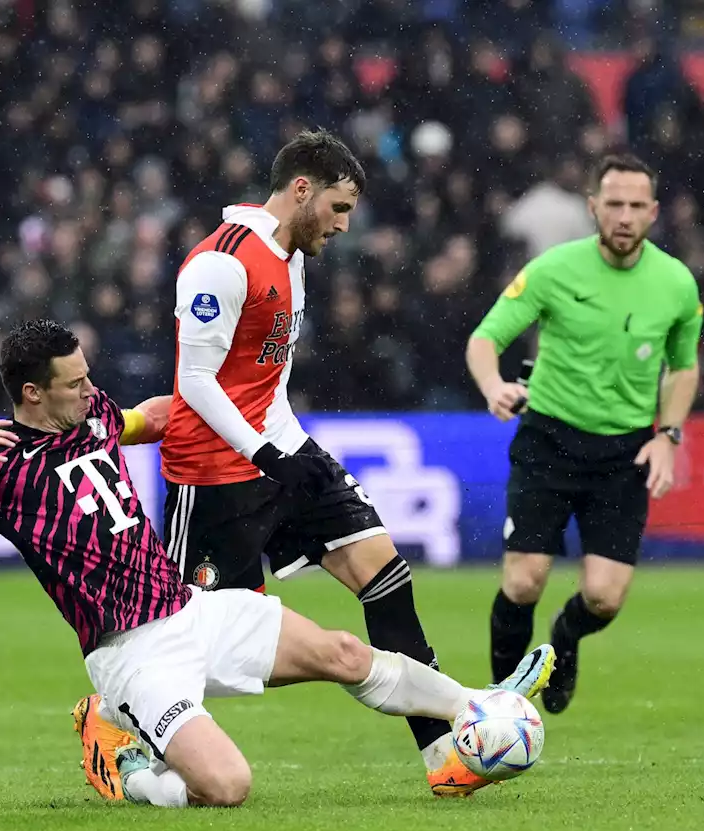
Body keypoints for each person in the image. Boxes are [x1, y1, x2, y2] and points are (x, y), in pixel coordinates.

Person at [0, 318, 555, 808]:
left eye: (88, 378)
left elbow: (146, 417)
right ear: (30, 393)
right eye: (75, 383)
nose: (90, 389)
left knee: (346, 652)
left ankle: (477, 706)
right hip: (132, 652)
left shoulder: (96, 416)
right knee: (226, 787)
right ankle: (119, 752)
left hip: (192, 610)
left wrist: (211, 409)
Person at [76, 128, 487, 796]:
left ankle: (445, 750)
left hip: (282, 452)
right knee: (193, 647)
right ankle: (114, 720)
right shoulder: (219, 263)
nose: (344, 225)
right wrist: (265, 451)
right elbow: (198, 383)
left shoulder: (292, 256)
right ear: (301, 189)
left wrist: (291, 450)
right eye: (338, 207)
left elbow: (267, 382)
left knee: (387, 577)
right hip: (211, 479)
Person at [466, 152, 703, 715]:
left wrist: (667, 434)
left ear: (654, 212)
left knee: (604, 596)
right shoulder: (553, 270)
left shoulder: (676, 284)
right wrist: (493, 386)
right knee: (524, 581)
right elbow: (484, 338)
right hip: (548, 439)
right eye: (613, 204)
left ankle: (564, 639)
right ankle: (503, 705)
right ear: (593, 207)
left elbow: (684, 366)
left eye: (636, 206)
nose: (624, 216)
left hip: (623, 453)